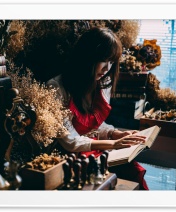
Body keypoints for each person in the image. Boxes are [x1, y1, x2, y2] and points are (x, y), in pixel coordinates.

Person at [46, 27, 149, 190]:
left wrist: (115, 133)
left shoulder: (101, 84)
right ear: (87, 57)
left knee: (134, 171)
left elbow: (95, 124)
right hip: (74, 158)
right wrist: (114, 143)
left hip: (98, 147)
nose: (107, 69)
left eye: (112, 62)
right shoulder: (56, 88)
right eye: (104, 60)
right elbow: (70, 142)